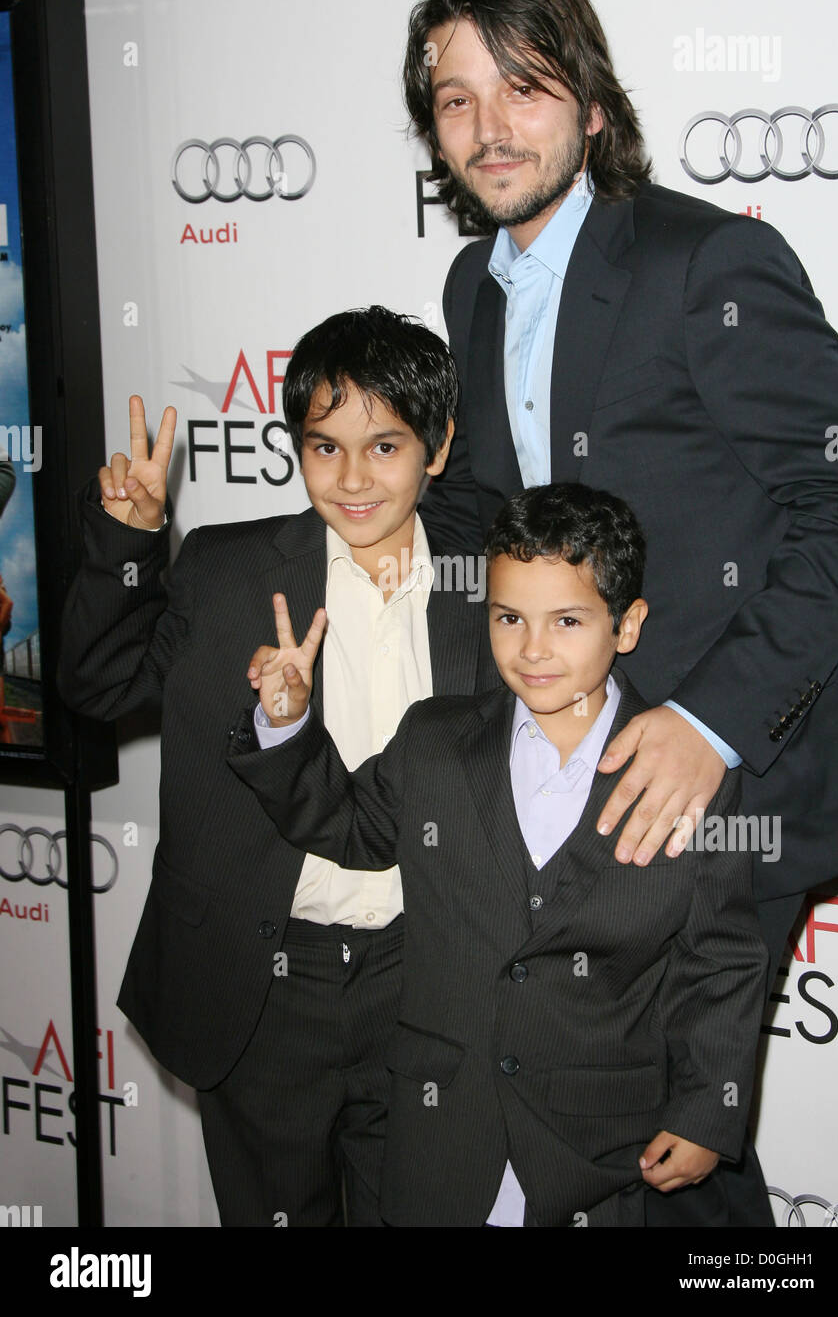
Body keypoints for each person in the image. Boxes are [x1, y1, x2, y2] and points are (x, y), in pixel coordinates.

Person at [403, 0, 838, 1224]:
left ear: (591, 108)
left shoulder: (706, 263)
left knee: (682, 1147)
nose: (490, 128)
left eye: (524, 87)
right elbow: (493, 504)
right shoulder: (473, 287)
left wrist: (712, 725)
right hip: (571, 772)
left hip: (719, 787)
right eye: (455, 100)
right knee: (583, 1131)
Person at [57, 306, 497, 1226]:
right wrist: (128, 542)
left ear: (439, 446)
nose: (352, 478)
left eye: (384, 446)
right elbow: (97, 686)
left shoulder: (494, 582)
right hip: (263, 985)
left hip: (424, 980)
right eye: (324, 447)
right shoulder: (227, 572)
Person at [228, 482, 769, 1228]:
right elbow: (347, 827)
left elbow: (721, 958)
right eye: (509, 618)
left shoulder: (684, 773)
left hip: (602, 1158)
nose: (533, 648)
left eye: (568, 621)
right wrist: (284, 725)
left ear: (628, 624)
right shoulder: (434, 741)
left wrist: (710, 1112)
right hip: (441, 1146)